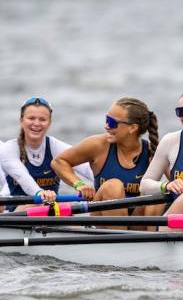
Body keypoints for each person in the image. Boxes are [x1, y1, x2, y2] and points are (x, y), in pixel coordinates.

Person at [52, 97, 162, 227]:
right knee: (113, 186)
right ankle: (119, 237)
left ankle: (151, 238)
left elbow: (175, 183)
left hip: (137, 223)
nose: (106, 126)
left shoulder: (153, 151)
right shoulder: (98, 145)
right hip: (103, 220)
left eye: (112, 122)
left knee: (158, 192)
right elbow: (59, 162)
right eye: (107, 119)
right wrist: (79, 184)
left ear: (132, 128)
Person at [0, 97, 93, 209]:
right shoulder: (8, 149)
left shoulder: (55, 146)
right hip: (18, 212)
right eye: (31, 118)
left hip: (51, 209)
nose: (36, 123)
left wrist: (98, 185)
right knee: (38, 205)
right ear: (21, 121)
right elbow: (23, 177)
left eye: (42, 119)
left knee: (71, 206)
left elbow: (86, 167)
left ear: (49, 123)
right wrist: (39, 192)